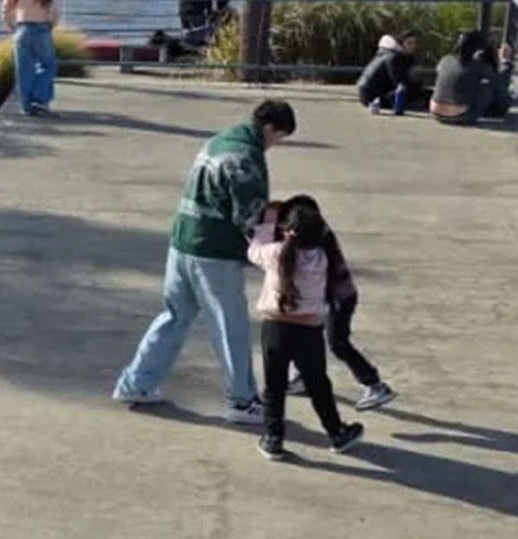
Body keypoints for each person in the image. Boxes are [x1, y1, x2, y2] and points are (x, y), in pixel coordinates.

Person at [113, 100, 298, 423]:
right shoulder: (245, 158)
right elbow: (250, 216)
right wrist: (277, 244)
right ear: (269, 128)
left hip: (182, 242)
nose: (275, 145)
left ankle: (136, 382)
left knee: (174, 317)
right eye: (279, 138)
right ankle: (242, 400)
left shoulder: (220, 140)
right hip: (212, 252)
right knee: (230, 326)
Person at [249, 201, 365, 460]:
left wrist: (268, 221)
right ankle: (336, 432)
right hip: (309, 330)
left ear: (287, 230)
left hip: (275, 327)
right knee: (318, 384)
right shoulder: (322, 259)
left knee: (274, 386)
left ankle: (272, 437)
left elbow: (254, 250)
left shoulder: (276, 253)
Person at [273, 195, 396, 411]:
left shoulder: (315, 247)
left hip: (339, 300)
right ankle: (301, 376)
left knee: (338, 343)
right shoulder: (317, 233)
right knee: (301, 335)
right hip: (330, 299)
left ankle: (375, 385)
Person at [0, 0, 62, 116]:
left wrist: (11, 26)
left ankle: (27, 107)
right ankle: (39, 98)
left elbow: (6, 8)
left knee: (23, 71)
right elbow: (55, 10)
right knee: (48, 65)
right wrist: (52, 25)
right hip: (42, 29)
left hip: (22, 29)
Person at [431, 30, 514, 124]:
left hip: (436, 112)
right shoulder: (479, 66)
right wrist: (505, 62)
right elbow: (500, 80)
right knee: (489, 87)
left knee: (475, 84)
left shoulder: (445, 59)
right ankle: (498, 111)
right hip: (462, 116)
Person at [356, 31, 420, 114]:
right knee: (413, 96)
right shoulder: (394, 57)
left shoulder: (390, 53)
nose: (413, 46)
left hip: (368, 92)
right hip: (372, 96)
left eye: (415, 43)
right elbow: (398, 81)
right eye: (409, 43)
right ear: (401, 44)